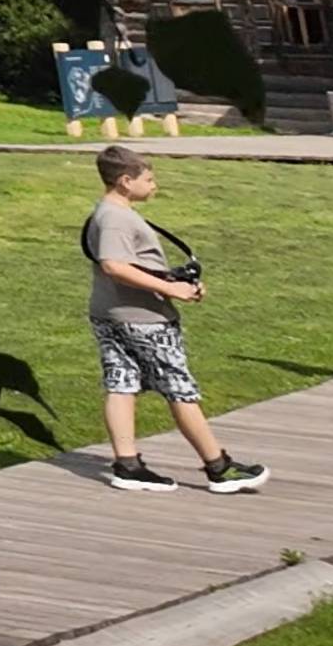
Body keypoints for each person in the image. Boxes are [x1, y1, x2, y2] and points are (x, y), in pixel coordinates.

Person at [89, 145, 267, 492]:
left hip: (110, 312)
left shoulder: (107, 211)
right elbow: (114, 265)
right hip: (143, 319)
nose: (154, 185)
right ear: (126, 181)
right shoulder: (116, 218)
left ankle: (127, 465)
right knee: (179, 388)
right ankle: (219, 467)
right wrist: (172, 290)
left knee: (121, 383)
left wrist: (173, 281)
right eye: (149, 179)